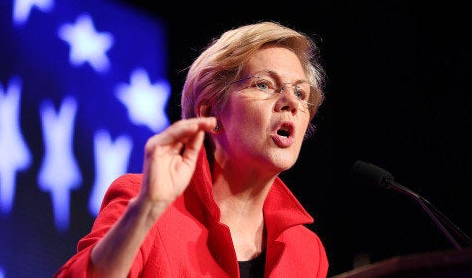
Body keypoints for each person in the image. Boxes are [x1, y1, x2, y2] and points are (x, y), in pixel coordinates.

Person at [54, 21, 328, 277]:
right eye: (264, 84)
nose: (291, 101)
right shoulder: (143, 202)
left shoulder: (306, 250)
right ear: (210, 111)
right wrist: (147, 210)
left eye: (301, 93)